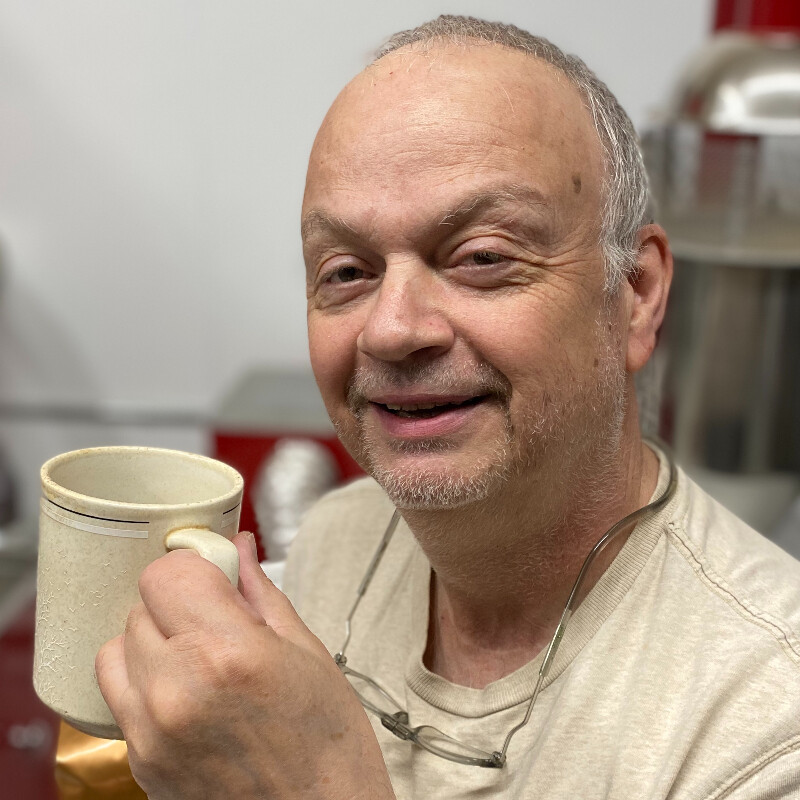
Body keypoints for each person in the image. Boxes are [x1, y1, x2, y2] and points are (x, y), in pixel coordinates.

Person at [95, 16, 800, 800]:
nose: (392, 330)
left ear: (635, 294)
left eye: (481, 257)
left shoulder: (767, 723)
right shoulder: (340, 539)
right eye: (347, 271)